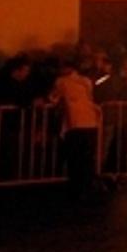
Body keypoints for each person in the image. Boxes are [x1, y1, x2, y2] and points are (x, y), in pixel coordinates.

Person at [48, 59, 101, 199]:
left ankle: (77, 188)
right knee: (87, 158)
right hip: (91, 122)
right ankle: (88, 187)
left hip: (75, 123)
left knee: (75, 157)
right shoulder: (86, 81)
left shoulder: (61, 82)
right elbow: (90, 97)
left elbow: (53, 98)